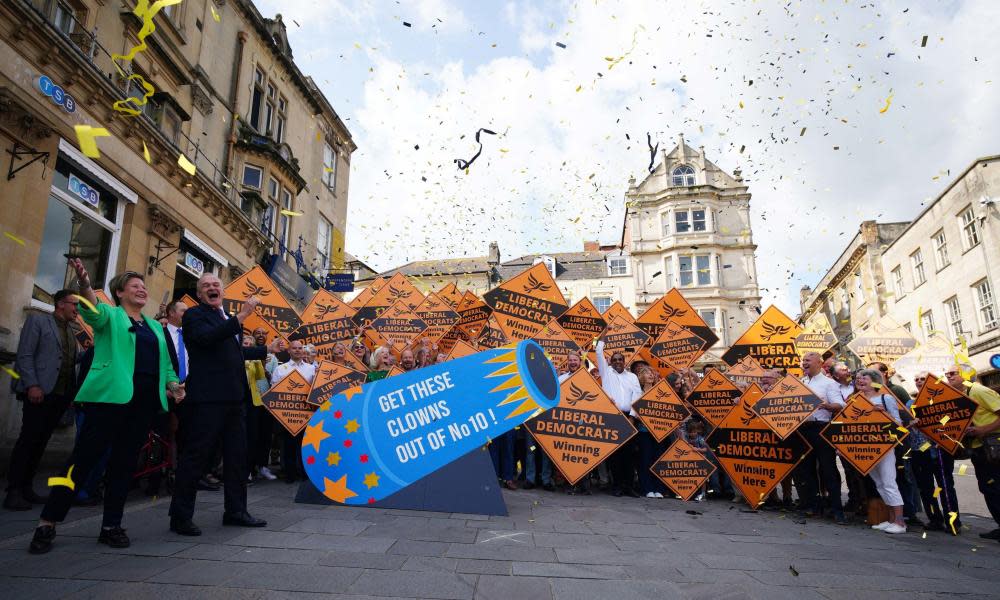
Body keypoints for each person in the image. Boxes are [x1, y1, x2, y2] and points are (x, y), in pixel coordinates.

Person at [29, 262, 184, 554]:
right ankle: (48, 521)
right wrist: (86, 284)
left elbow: (165, 364)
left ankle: (111, 525)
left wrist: (174, 384)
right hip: (109, 403)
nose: (142, 289)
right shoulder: (110, 316)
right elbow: (92, 311)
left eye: (143, 286)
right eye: (135, 286)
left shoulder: (153, 326)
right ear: (119, 292)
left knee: (124, 466)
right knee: (81, 461)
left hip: (142, 406)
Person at [168, 273, 284, 537]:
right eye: (206, 285)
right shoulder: (195, 316)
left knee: (237, 459)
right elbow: (207, 340)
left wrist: (267, 350)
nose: (212, 288)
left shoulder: (225, 318)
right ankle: (180, 516)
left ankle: (235, 511)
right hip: (207, 400)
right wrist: (241, 317)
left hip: (234, 399)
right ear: (199, 294)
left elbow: (235, 352)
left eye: (216, 285)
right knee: (195, 457)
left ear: (222, 291)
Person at [5, 289, 82, 511]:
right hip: (40, 392)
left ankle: (27, 487)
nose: (77, 309)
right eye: (73, 304)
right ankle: (14, 491)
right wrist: (32, 384)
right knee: (28, 440)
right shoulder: (38, 321)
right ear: (60, 304)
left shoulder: (70, 330)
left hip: (60, 395)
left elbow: (72, 359)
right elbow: (25, 354)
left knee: (40, 442)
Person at [946, 364, 1000, 541]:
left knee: (995, 486)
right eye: (947, 374)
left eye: (953, 373)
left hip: (992, 445)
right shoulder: (959, 395)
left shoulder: (978, 390)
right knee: (987, 487)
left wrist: (984, 429)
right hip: (979, 448)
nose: (949, 377)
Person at [796, 352, 848, 524]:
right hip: (803, 429)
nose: (804, 363)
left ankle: (836, 509)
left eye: (808, 360)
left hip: (821, 428)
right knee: (806, 469)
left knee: (828, 469)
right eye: (803, 360)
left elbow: (839, 405)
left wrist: (823, 405)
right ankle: (813, 505)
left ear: (819, 363)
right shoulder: (799, 383)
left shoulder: (829, 383)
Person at [855, 368, 907, 534]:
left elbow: (899, 424)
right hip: (866, 448)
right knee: (879, 483)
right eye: (860, 378)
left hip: (884, 447)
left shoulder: (886, 398)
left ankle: (900, 522)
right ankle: (890, 520)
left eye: (865, 378)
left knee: (889, 482)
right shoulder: (856, 401)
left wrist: (884, 414)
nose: (861, 381)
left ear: (875, 381)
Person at [907, 372, 958, 533]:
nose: (920, 381)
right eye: (917, 379)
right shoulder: (909, 404)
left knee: (945, 486)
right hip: (919, 451)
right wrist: (910, 424)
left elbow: (954, 421)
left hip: (940, 450)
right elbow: (903, 426)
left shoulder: (943, 401)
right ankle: (935, 519)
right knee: (926, 488)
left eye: (923, 379)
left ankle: (953, 522)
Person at [595, 340, 642, 497]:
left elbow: (637, 396)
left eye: (620, 359)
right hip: (612, 418)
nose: (617, 362)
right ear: (610, 361)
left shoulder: (633, 377)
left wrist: (632, 417)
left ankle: (629, 486)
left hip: (629, 417)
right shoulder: (606, 372)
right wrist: (604, 334)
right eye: (614, 360)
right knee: (615, 455)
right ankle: (617, 486)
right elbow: (598, 350)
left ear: (624, 361)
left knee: (629, 455)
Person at [272, 341, 317, 483]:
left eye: (300, 348)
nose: (297, 351)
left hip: (306, 413)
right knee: (288, 445)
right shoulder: (280, 369)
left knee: (304, 444)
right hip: (287, 414)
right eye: (294, 348)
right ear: (289, 351)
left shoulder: (312, 369)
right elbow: (274, 391)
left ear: (303, 351)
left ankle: (305, 473)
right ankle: (290, 474)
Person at [832, 362, 864, 514]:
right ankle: (854, 500)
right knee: (848, 470)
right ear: (835, 375)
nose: (848, 371)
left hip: (861, 436)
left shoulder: (857, 391)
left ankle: (866, 503)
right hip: (842, 434)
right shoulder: (833, 388)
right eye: (843, 370)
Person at [634, 366, 668, 499]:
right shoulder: (638, 392)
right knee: (645, 460)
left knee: (658, 460)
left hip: (659, 432)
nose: (651, 375)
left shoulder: (660, 391)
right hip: (644, 432)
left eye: (652, 373)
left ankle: (658, 488)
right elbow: (634, 411)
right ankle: (647, 488)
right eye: (647, 373)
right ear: (641, 377)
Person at [251, 328, 279, 480]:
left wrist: (264, 369)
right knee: (251, 434)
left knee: (266, 435)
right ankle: (249, 467)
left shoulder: (272, 358)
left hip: (266, 402)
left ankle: (262, 466)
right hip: (250, 401)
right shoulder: (246, 353)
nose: (261, 335)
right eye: (258, 333)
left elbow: (274, 381)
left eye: (264, 333)